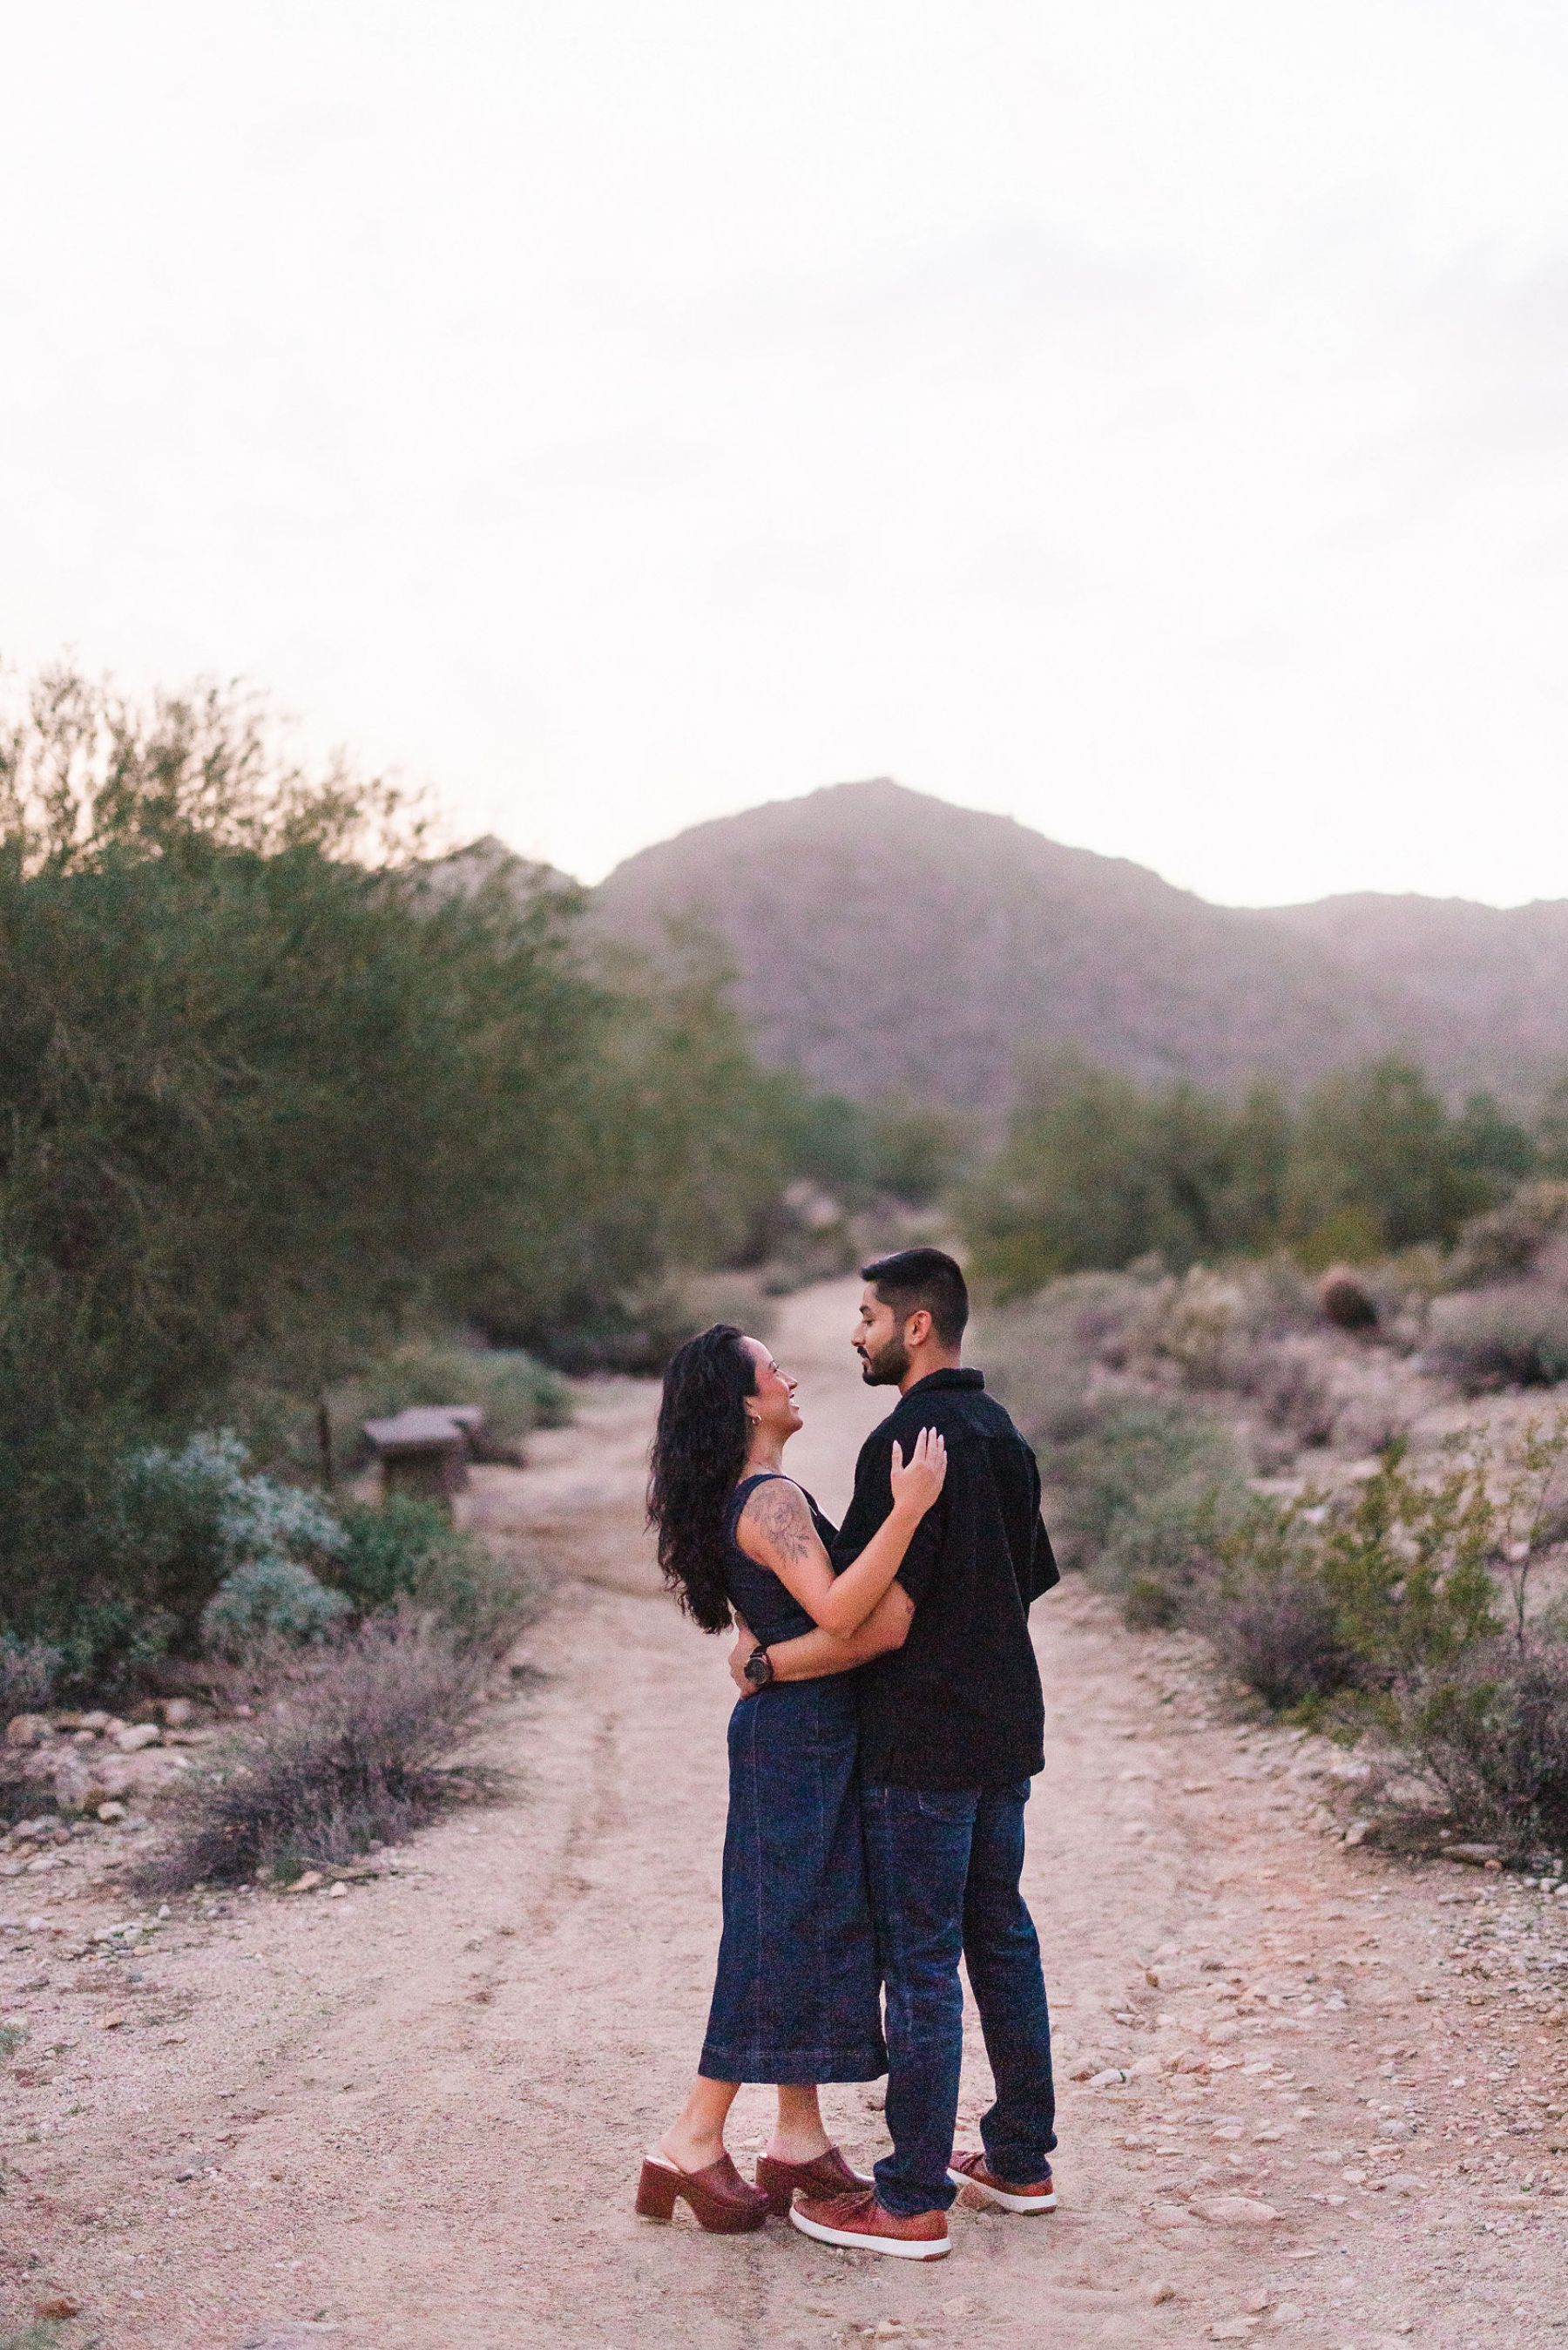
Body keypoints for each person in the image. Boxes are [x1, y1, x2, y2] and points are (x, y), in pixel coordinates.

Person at [733, 1248, 1058, 2261]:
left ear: (916, 1326)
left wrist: (770, 1667)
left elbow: (877, 1618)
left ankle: (912, 2196)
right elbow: (1024, 1584)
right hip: (1005, 1730)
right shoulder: (1002, 1433)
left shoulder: (907, 1438)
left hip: (922, 1743)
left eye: (868, 1316)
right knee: (999, 1936)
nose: (855, 1334)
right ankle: (1019, 2158)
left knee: (921, 1964)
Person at [636, 1322, 947, 2235]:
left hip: (806, 1732)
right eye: (774, 1369)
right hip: (796, 1743)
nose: (790, 1377)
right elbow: (844, 1613)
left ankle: (799, 2137)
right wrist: (910, 1507)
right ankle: (688, 2142)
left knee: (805, 1923)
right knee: (776, 1930)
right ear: (745, 1402)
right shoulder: (768, 1499)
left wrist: (764, 1659)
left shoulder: (762, 1492)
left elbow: (787, 1629)